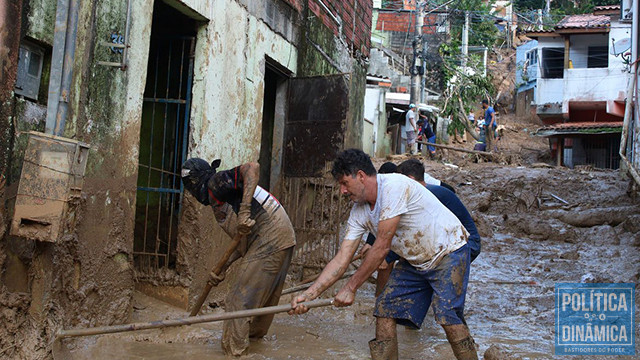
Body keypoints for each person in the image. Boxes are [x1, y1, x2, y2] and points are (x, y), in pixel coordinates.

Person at [289, 149, 478, 360]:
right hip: (415, 261)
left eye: (344, 183)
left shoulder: (393, 186)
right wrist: (309, 294)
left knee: (447, 316)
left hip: (449, 251)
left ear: (360, 176)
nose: (342, 191)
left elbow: (381, 247)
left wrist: (350, 288)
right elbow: (342, 258)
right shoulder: (359, 211)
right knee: (385, 309)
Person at [181, 158, 295, 356]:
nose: (191, 193)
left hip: (270, 234)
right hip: (280, 236)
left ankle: (236, 353)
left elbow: (252, 167)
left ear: (195, 182)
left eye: (190, 187)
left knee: (237, 300)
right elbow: (242, 241)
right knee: (262, 300)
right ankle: (254, 345)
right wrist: (223, 268)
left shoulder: (215, 183)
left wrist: (243, 212)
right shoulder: (220, 198)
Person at [397, 159, 480, 262]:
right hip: (452, 241)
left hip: (465, 244)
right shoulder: (428, 192)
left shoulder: (428, 195)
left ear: (410, 179)